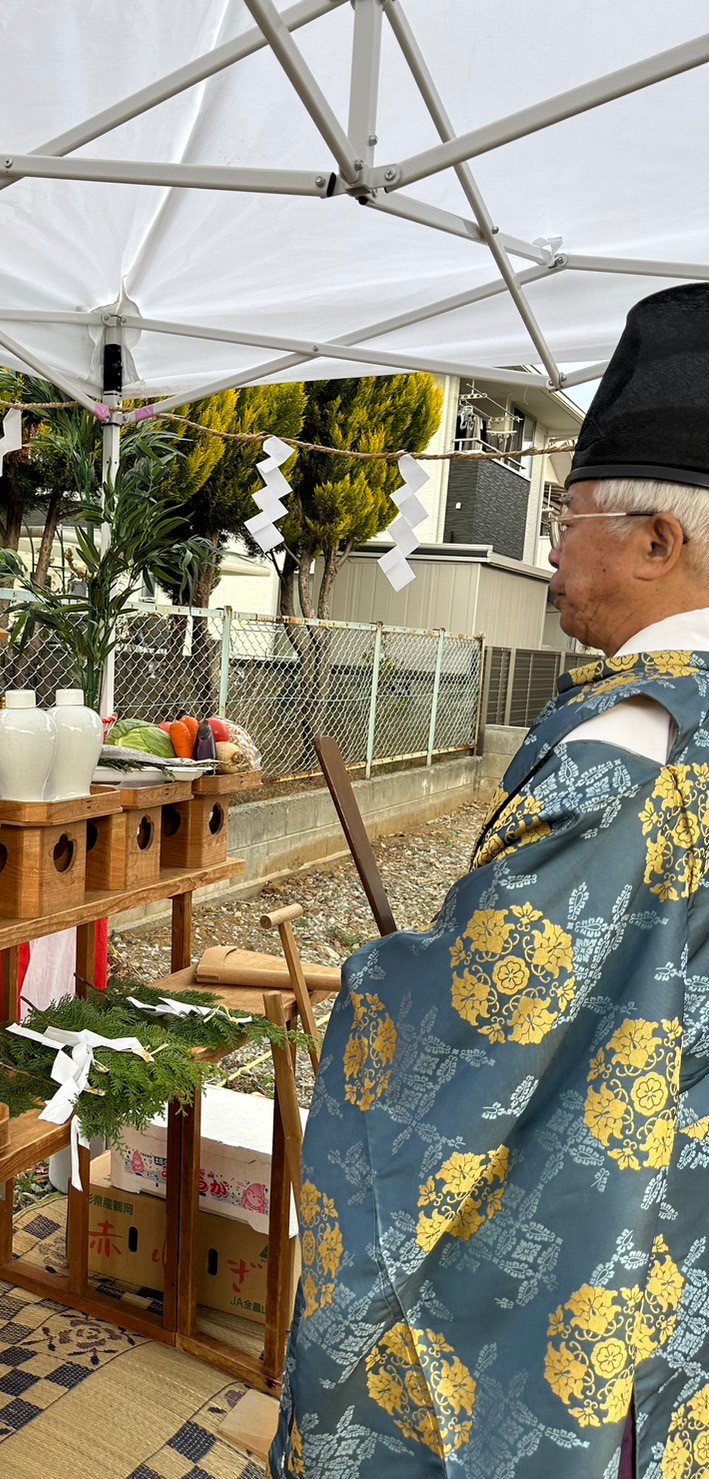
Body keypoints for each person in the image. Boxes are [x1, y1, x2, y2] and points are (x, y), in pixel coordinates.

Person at [270, 281, 709, 1478]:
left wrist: (371, 978)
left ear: (656, 543)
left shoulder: (630, 745)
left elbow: (483, 1011)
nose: (553, 552)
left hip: (581, 1244)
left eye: (569, 521)